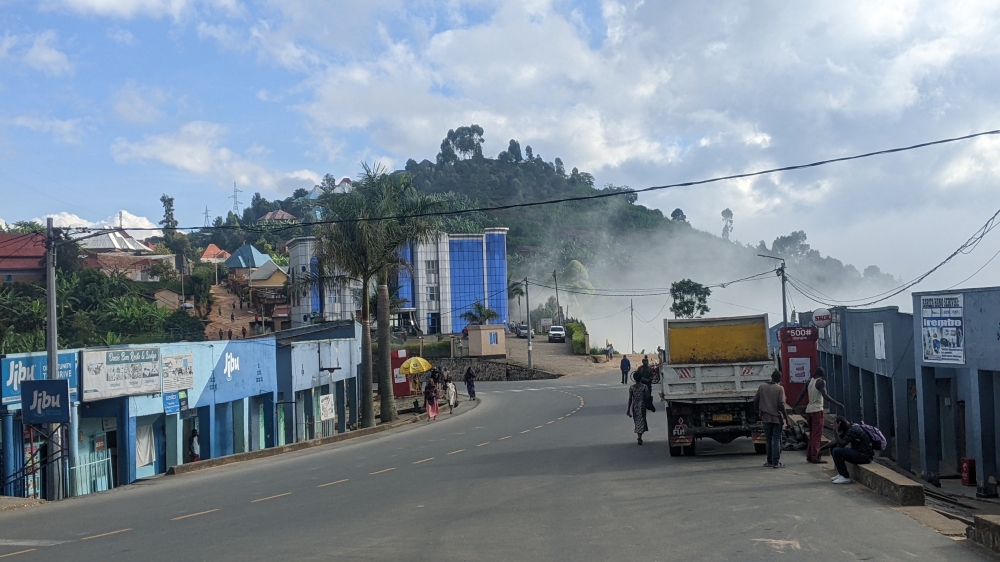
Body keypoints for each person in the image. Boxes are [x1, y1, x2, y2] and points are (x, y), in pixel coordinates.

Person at [793, 368, 844, 464]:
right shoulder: (821, 382)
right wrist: (837, 404)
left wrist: (794, 406)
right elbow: (825, 395)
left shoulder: (809, 382)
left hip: (809, 410)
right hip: (817, 411)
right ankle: (815, 457)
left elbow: (801, 395)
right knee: (817, 435)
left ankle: (809, 455)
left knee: (812, 434)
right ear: (822, 375)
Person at [753, 370, 792, 468]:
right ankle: (776, 462)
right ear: (779, 378)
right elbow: (780, 404)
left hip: (765, 417)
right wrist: (786, 419)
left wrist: (759, 412)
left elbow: (755, 401)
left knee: (768, 439)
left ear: (771, 376)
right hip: (776, 418)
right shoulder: (780, 388)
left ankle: (769, 461)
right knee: (776, 439)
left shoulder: (762, 387)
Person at [830, 416, 874, 484]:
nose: (833, 426)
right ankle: (841, 473)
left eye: (835, 424)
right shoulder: (848, 428)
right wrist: (821, 448)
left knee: (837, 451)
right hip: (858, 453)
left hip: (865, 456)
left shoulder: (853, 430)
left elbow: (841, 444)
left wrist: (835, 431)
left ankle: (845, 477)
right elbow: (835, 442)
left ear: (840, 424)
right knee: (833, 448)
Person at [626, 372, 649, 445]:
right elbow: (648, 396)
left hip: (635, 406)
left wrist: (628, 410)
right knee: (642, 420)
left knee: (637, 421)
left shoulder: (632, 388)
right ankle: (640, 436)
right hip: (642, 406)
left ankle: (639, 435)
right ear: (641, 378)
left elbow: (630, 399)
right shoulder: (644, 387)